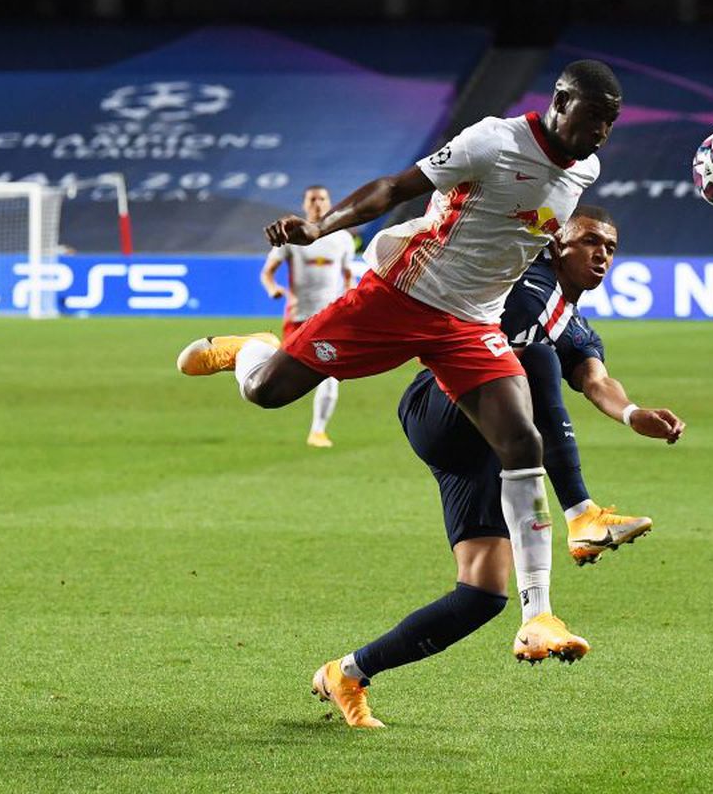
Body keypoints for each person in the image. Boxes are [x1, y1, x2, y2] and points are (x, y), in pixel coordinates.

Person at [175, 59, 620, 709]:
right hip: (400, 295)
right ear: (559, 102)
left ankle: (539, 615)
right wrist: (323, 228)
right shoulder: (493, 140)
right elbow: (393, 187)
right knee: (267, 391)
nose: (601, 133)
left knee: (521, 441)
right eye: (592, 118)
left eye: (610, 123)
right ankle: (251, 350)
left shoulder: (586, 170)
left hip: (468, 324)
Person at [309, 207, 685, 728]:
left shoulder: (572, 325)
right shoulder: (525, 280)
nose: (602, 254)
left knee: (481, 594)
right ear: (557, 246)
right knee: (536, 356)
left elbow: (597, 379)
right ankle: (582, 514)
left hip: (489, 449)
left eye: (611, 247)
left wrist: (631, 413)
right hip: (438, 407)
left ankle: (347, 673)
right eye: (590, 242)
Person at [259, 185, 355, 447]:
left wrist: (349, 300)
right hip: (298, 316)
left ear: (329, 201)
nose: (318, 204)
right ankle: (250, 351)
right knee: (276, 372)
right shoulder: (291, 237)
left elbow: (348, 276)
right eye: (312, 199)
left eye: (322, 198)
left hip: (328, 318)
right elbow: (267, 272)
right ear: (304, 204)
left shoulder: (343, 239)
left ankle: (318, 431)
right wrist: (273, 289)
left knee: (329, 372)